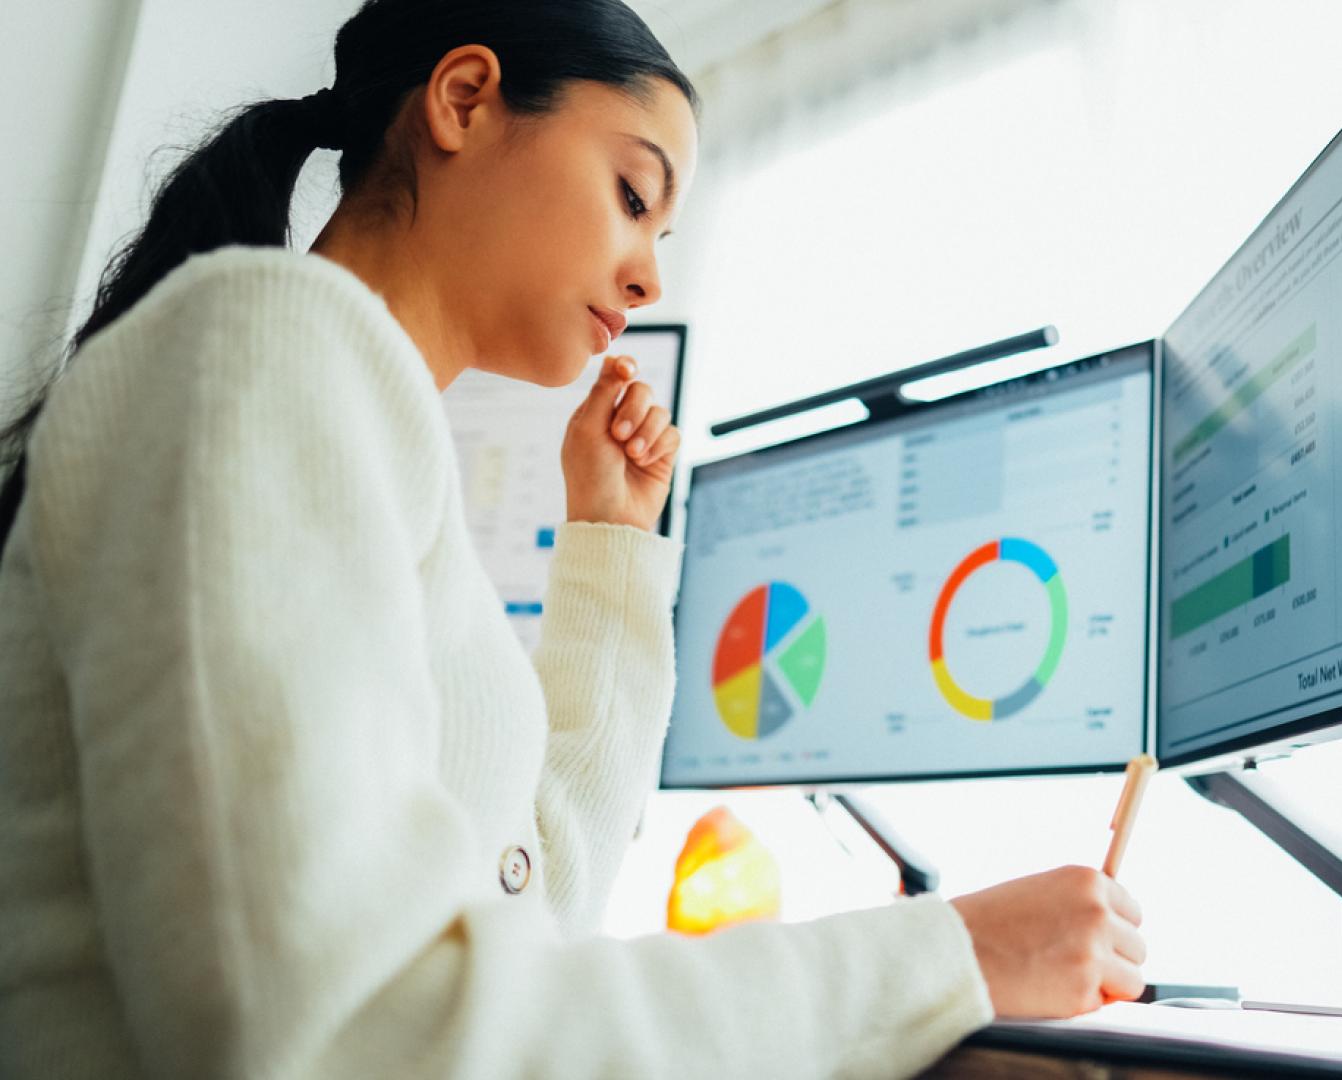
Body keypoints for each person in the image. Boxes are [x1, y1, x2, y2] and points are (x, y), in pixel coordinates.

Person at [0, 1, 1146, 1075]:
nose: (648, 273)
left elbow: (526, 906)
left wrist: (609, 542)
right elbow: (350, 1031)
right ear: (462, 101)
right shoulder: (263, 342)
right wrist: (946, 958)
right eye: (632, 195)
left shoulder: (362, 427)